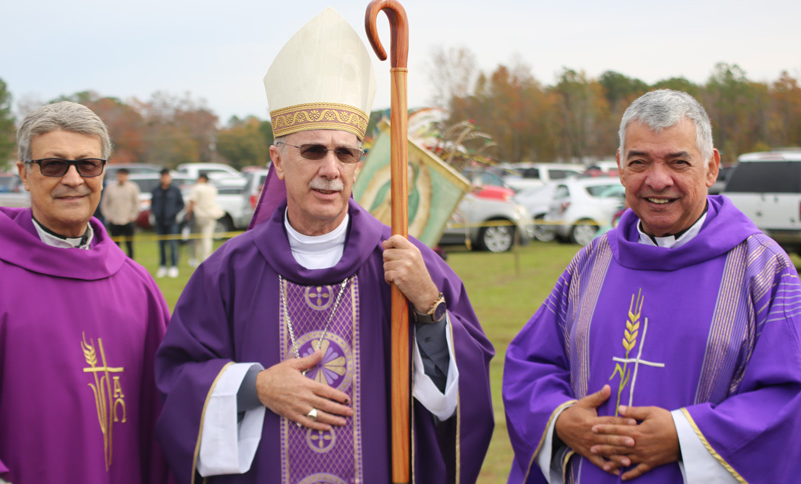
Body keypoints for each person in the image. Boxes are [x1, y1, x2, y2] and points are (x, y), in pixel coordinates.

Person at [155, 8, 494, 484]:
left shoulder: (409, 263)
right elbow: (176, 384)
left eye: (345, 152)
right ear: (277, 160)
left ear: (358, 164)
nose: (330, 168)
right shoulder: (228, 272)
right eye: (313, 151)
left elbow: (465, 397)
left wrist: (428, 307)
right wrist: (255, 386)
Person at [503, 89, 801, 483]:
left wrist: (686, 437)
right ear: (620, 168)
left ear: (711, 168)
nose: (657, 180)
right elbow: (532, 365)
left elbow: (788, 396)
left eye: (678, 162)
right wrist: (560, 419)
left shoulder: (762, 269)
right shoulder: (592, 262)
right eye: (639, 161)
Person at [0, 101, 171, 483]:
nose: (73, 179)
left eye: (88, 164)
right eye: (53, 165)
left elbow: (171, 406)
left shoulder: (137, 285)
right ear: (24, 175)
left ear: (103, 173)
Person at [151, 168, 184, 278]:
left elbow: (181, 204)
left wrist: (174, 213)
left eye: (167, 176)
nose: (165, 179)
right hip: (160, 222)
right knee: (161, 245)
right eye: (163, 176)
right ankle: (163, 266)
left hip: (172, 222)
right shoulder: (156, 190)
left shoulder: (175, 190)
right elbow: (153, 204)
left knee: (173, 244)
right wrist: (155, 213)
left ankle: (174, 266)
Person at [186, 173, 224, 266]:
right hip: (211, 215)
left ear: (202, 179)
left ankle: (195, 259)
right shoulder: (212, 188)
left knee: (197, 239)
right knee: (207, 238)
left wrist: (188, 214)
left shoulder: (197, 188)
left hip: (200, 215)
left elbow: (192, 202)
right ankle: (206, 258)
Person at [102, 167, 140, 259]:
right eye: (119, 175)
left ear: (127, 176)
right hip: (114, 221)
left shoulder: (133, 187)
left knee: (129, 244)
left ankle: (131, 262)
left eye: (123, 175)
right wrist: (108, 216)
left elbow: (137, 203)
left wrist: (133, 216)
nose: (121, 177)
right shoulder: (110, 188)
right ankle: (116, 262)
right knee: (115, 245)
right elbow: (104, 204)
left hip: (128, 220)